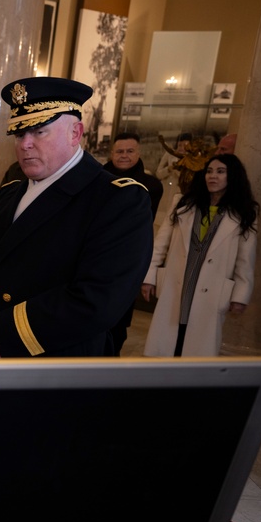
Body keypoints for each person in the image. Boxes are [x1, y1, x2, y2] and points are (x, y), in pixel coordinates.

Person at [0, 77, 152, 358]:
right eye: (20, 134)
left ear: (75, 133)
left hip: (56, 370)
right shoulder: (9, 194)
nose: (25, 144)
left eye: (39, 131)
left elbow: (96, 301)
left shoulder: (118, 200)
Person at [141, 154, 258, 357]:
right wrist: (149, 278)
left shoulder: (245, 212)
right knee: (167, 342)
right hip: (178, 282)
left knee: (197, 347)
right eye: (209, 171)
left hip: (212, 290)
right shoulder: (183, 203)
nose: (213, 176)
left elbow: (245, 259)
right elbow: (160, 244)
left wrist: (240, 294)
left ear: (233, 177)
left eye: (221, 172)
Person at [102, 131, 165, 355]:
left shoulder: (152, 185)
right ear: (111, 153)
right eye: (119, 151)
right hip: (97, 254)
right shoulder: (94, 178)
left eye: (130, 151)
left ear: (138, 153)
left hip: (127, 259)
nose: (124, 156)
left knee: (118, 320)